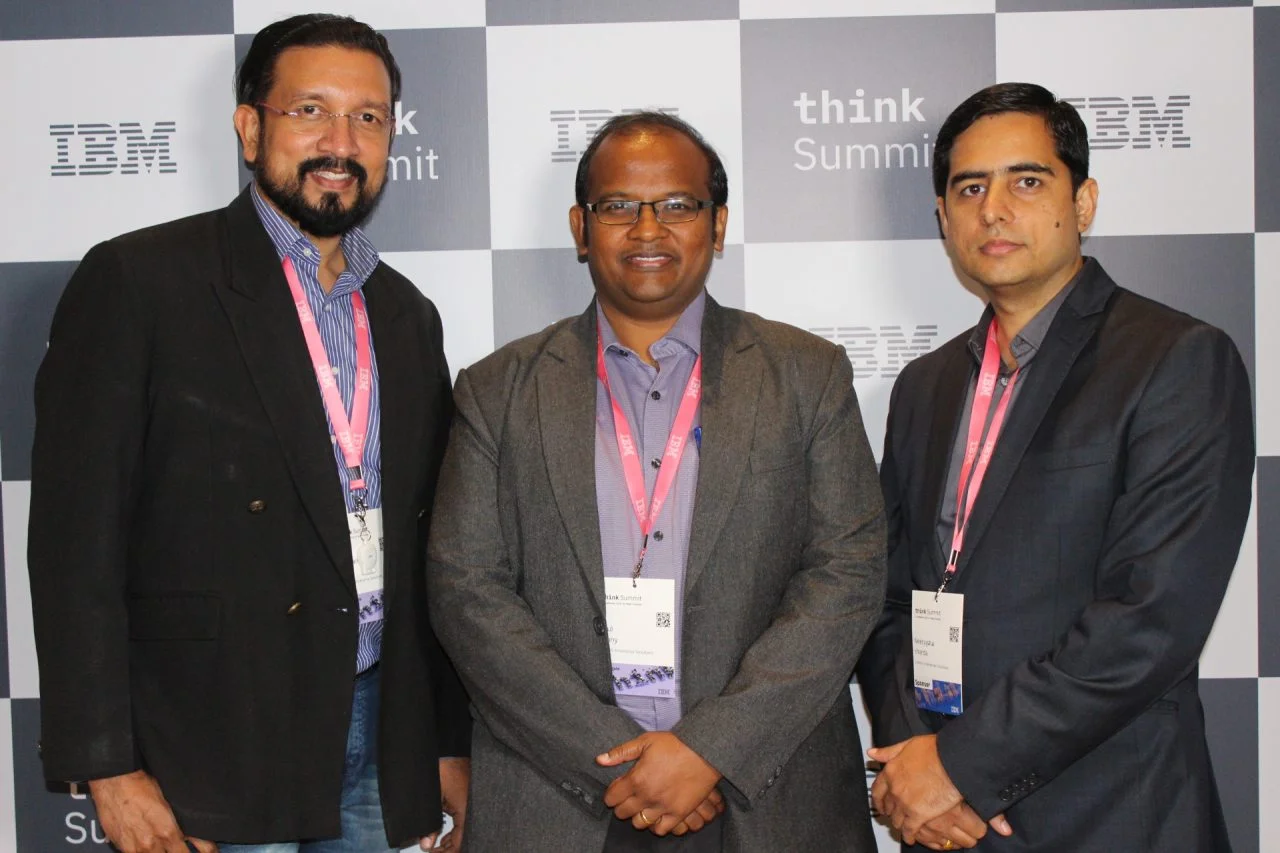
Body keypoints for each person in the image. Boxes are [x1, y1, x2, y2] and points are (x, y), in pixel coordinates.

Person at [27, 14, 470, 853]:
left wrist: (446, 740)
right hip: (208, 740)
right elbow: (74, 543)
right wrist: (106, 764)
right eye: (310, 110)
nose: (340, 141)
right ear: (249, 126)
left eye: (368, 117)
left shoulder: (407, 314)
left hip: (379, 729)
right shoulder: (140, 281)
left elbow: (431, 549)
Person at [425, 111, 886, 852]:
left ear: (718, 224)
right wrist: (616, 760)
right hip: (559, 799)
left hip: (765, 795)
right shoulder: (497, 390)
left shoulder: (807, 375)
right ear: (581, 228)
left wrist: (710, 749)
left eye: (677, 205)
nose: (648, 228)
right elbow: (466, 590)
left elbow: (848, 573)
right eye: (618, 206)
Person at [856, 82, 1254, 852]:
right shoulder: (925, 387)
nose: (994, 210)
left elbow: (1151, 618)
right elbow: (887, 595)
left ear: (1084, 202)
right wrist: (919, 762)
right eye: (970, 188)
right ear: (943, 217)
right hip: (948, 824)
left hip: (1111, 812)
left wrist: (963, 764)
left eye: (1028, 181)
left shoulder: (1174, 359)